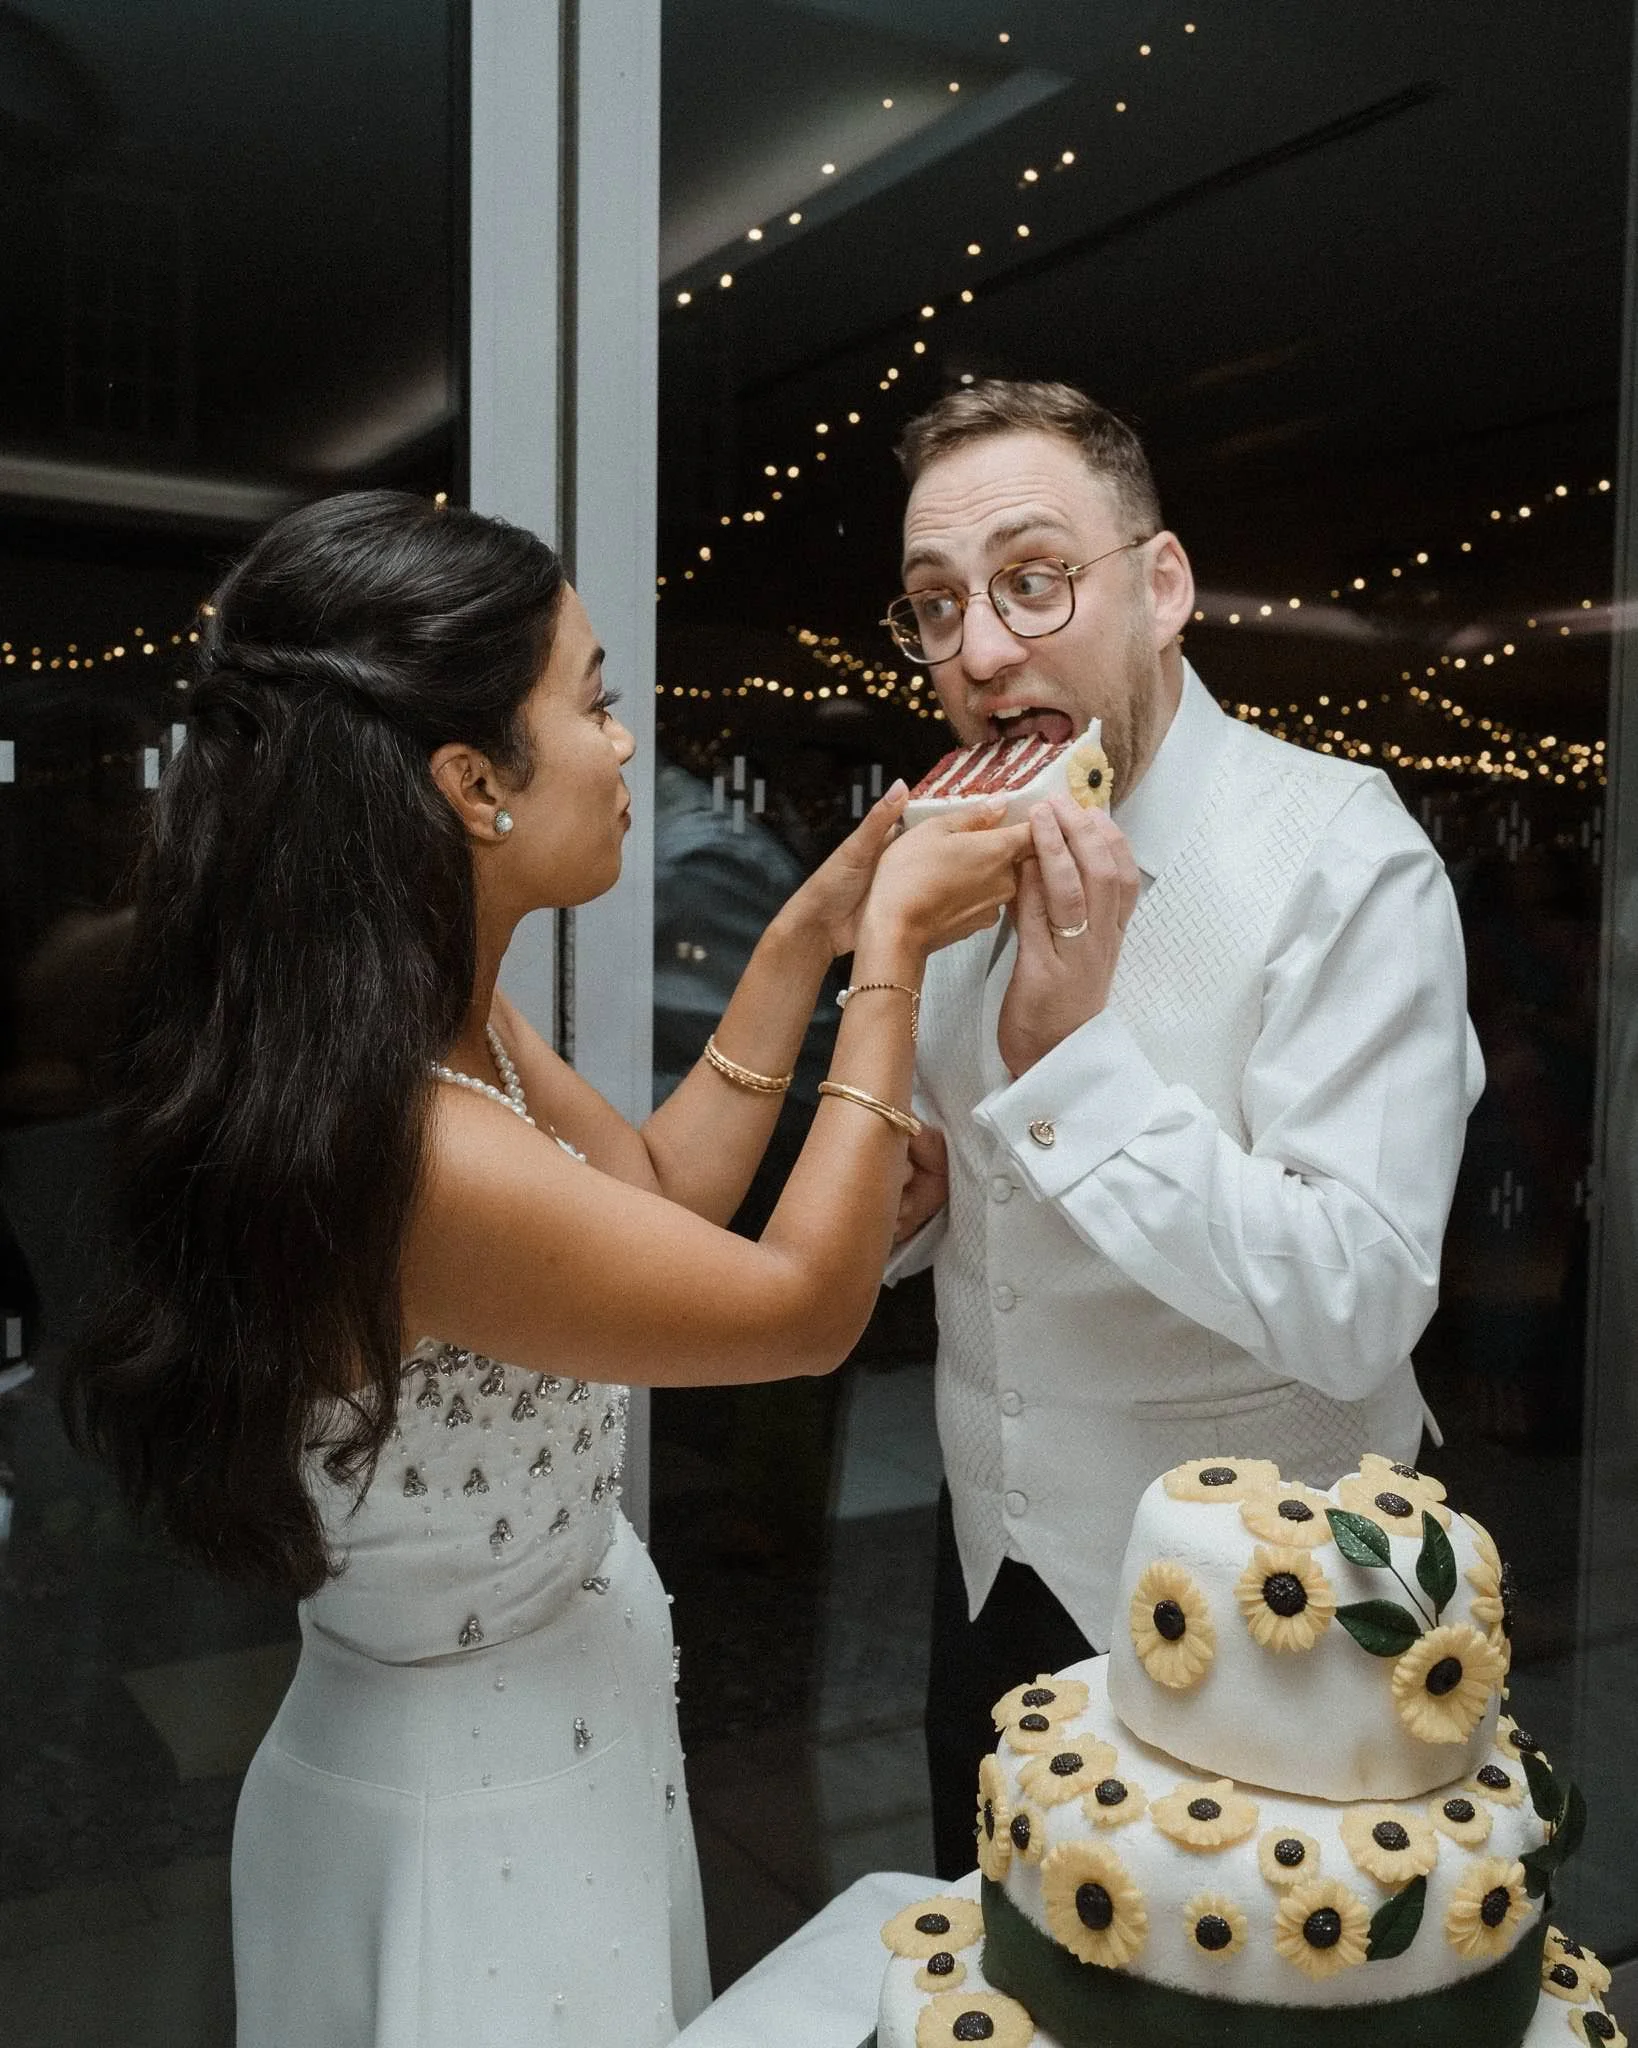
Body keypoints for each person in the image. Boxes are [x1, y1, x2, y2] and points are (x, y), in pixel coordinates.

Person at [60, 490, 1029, 2046]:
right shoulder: (420, 1153)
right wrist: (895, 967)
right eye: (591, 703)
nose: (628, 747)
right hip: (466, 1817)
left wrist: (803, 939)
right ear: (468, 782)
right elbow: (793, 1310)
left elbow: (645, 1191)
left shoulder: (431, 1023)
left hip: (540, 1744)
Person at [879, 381, 1484, 1876]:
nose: (981, 649)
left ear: (1161, 585)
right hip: (987, 1578)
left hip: (1273, 1633)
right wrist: (909, 1194)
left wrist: (1068, 1063)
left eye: (1029, 580)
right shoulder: (953, 845)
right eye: (935, 604)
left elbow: (1354, 1297)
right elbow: (964, 1199)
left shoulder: (1343, 852)